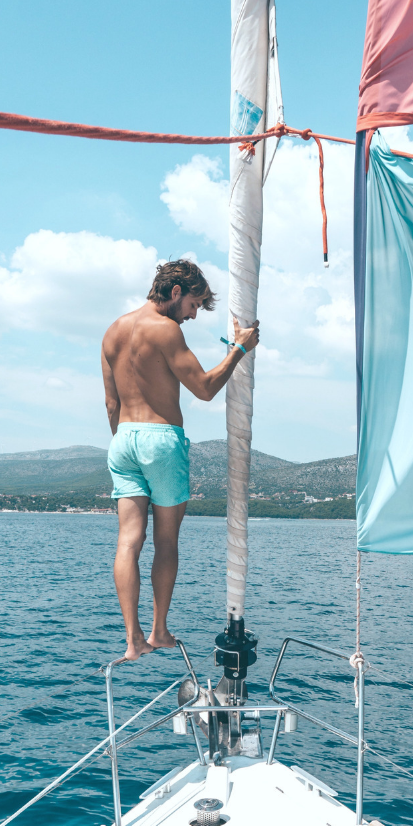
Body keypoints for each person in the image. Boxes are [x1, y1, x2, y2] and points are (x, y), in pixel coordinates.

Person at [101, 259, 259, 661]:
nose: (191, 314)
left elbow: (111, 402)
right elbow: (205, 388)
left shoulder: (113, 331)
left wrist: (126, 441)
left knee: (127, 542)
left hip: (122, 440)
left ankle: (132, 638)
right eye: (193, 303)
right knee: (166, 540)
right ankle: (158, 630)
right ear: (175, 292)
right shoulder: (165, 330)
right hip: (159, 438)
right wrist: (240, 347)